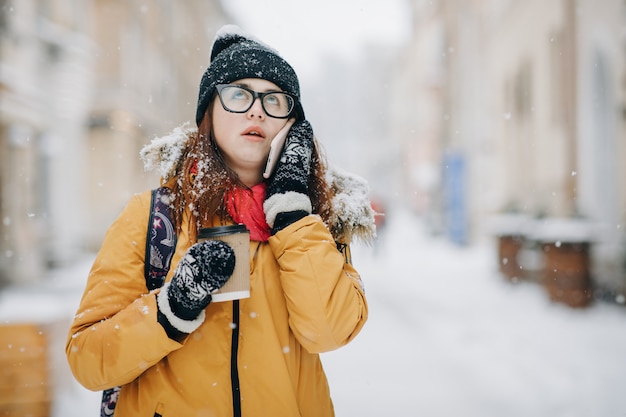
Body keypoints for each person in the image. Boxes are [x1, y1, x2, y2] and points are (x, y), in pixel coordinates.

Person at [66, 25, 375, 417]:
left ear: (293, 127)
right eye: (238, 94)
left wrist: (293, 214)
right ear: (207, 116)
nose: (256, 109)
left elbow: (328, 331)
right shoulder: (154, 217)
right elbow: (88, 360)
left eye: (275, 100)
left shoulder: (318, 225)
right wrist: (170, 309)